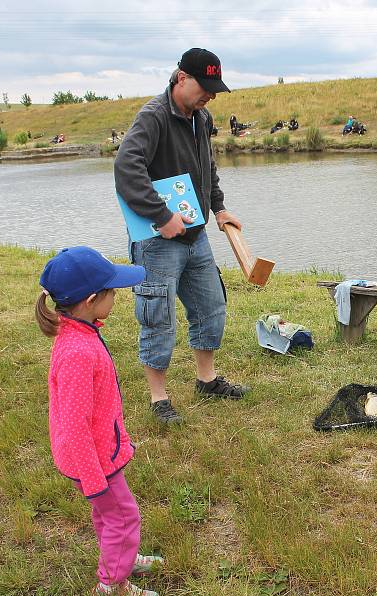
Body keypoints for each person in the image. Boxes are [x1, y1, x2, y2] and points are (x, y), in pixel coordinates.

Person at [114, 47, 250, 425]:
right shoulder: (153, 117)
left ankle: (206, 380)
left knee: (211, 307)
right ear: (181, 78)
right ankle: (159, 397)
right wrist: (160, 216)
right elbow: (127, 168)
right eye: (204, 86)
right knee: (158, 317)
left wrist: (219, 208)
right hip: (159, 242)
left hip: (196, 237)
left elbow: (208, 167)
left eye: (214, 88)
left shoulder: (201, 117)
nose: (210, 94)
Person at [36, 246, 161, 596]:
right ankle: (112, 585)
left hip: (98, 452)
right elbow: (75, 426)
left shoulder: (81, 331)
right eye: (112, 293)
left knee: (109, 516)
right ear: (91, 300)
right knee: (123, 516)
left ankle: (122, 555)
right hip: (93, 461)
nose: (116, 298)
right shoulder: (78, 351)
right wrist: (94, 479)